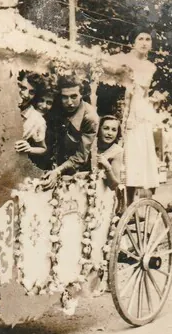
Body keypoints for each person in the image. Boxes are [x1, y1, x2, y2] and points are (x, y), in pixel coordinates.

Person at [106, 29, 161, 204]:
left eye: (148, 39)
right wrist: (125, 115)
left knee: (138, 156)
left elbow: (144, 93)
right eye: (140, 39)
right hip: (121, 106)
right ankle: (116, 200)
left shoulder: (151, 67)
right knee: (123, 153)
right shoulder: (123, 59)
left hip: (140, 111)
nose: (144, 42)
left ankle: (132, 203)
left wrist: (146, 111)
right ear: (133, 42)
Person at [41, 76, 100, 190]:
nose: (69, 103)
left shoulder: (90, 117)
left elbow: (81, 156)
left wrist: (58, 171)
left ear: (81, 94)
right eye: (65, 97)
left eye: (74, 97)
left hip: (76, 170)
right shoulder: (57, 106)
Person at [15, 74, 47, 159]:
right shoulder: (2, 103)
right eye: (23, 88)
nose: (26, 95)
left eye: (32, 92)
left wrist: (30, 149)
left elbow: (43, 149)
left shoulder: (37, 120)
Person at [96, 115, 123, 191]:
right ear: (99, 129)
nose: (109, 133)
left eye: (114, 130)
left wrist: (107, 166)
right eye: (106, 128)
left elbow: (114, 186)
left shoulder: (117, 151)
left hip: (105, 194)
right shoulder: (91, 146)